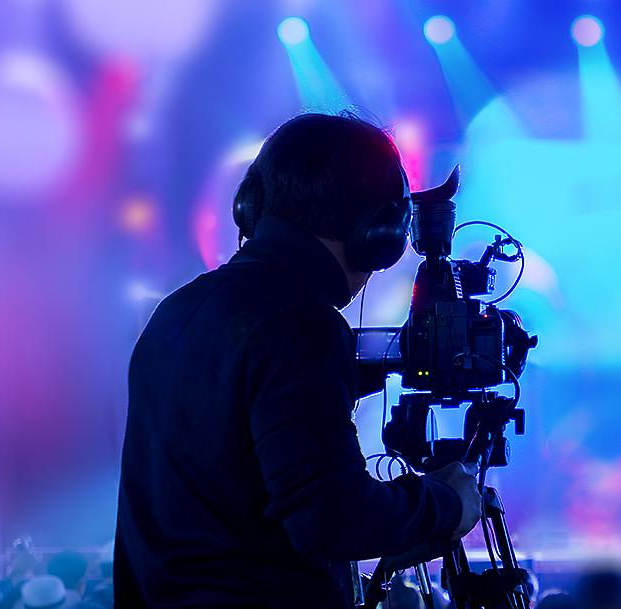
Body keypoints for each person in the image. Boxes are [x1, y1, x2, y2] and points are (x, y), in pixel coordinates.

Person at [115, 113, 482, 608]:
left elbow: (240, 418)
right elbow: (331, 517)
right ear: (378, 232)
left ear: (251, 206)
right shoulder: (301, 325)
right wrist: (447, 501)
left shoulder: (177, 312)